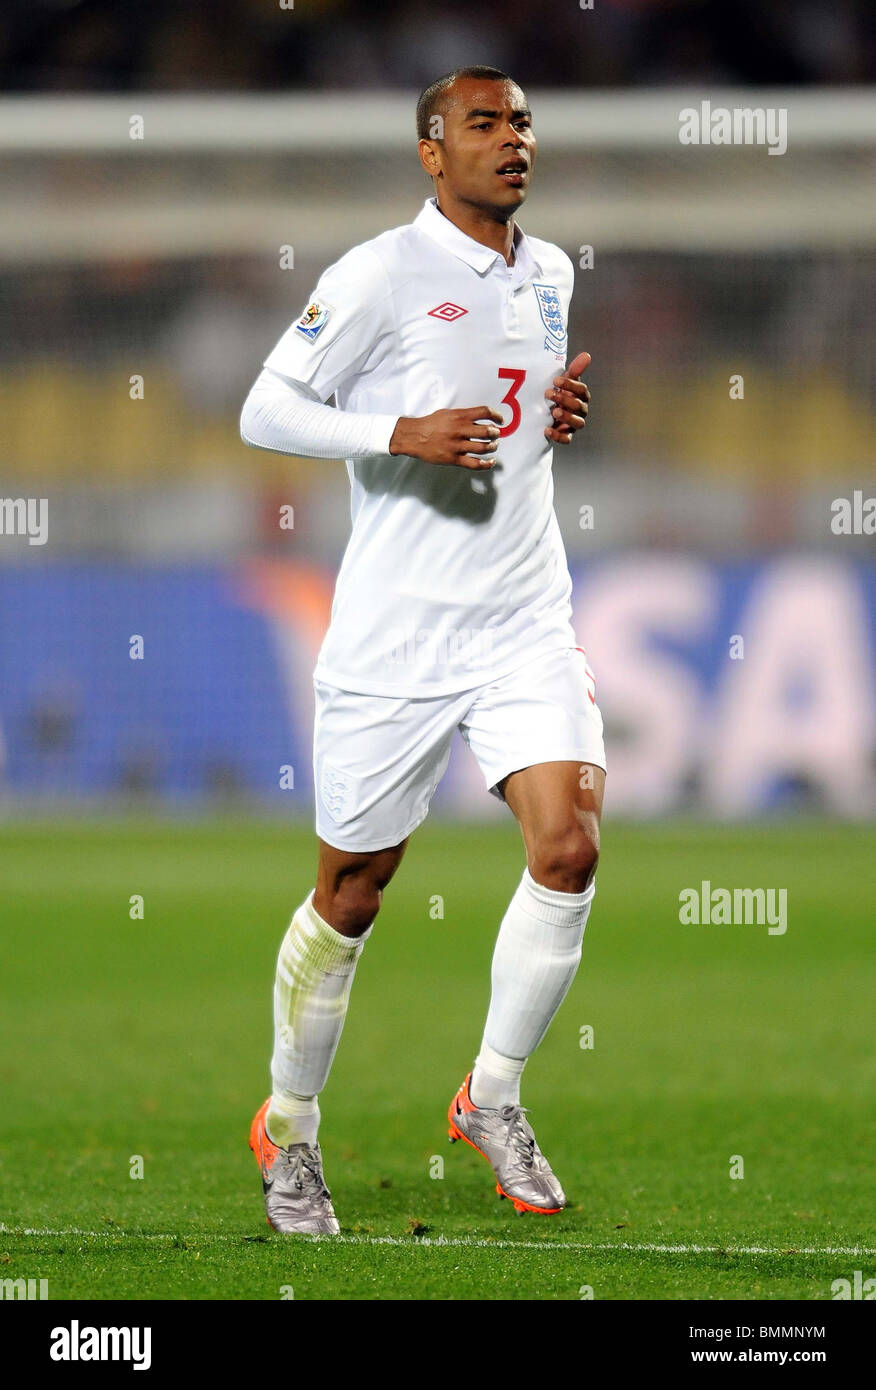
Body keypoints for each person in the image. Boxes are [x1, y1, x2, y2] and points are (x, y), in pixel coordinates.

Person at [240, 65, 604, 1234]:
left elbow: (512, 404)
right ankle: (289, 1126)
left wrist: (553, 417)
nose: (513, 141)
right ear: (431, 152)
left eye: (523, 122)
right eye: (484, 125)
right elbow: (267, 407)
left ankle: (491, 1093)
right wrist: (395, 430)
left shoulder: (548, 273)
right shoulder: (379, 274)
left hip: (523, 620)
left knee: (570, 847)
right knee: (351, 895)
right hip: (397, 637)